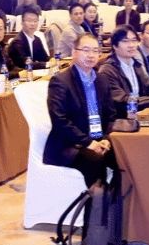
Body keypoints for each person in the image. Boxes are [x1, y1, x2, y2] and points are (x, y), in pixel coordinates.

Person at [44, 33, 117, 187]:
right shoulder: (60, 81)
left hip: (99, 139)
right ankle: (90, 201)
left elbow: (111, 116)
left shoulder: (102, 80)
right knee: (94, 160)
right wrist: (88, 142)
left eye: (95, 51)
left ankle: (113, 200)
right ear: (74, 52)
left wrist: (105, 139)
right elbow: (59, 120)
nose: (91, 55)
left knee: (124, 154)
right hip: (70, 145)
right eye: (86, 50)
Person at [97, 25, 149, 118]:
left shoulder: (135, 64)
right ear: (115, 46)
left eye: (134, 40)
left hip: (141, 115)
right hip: (121, 120)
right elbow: (123, 101)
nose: (131, 45)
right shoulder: (107, 71)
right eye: (125, 41)